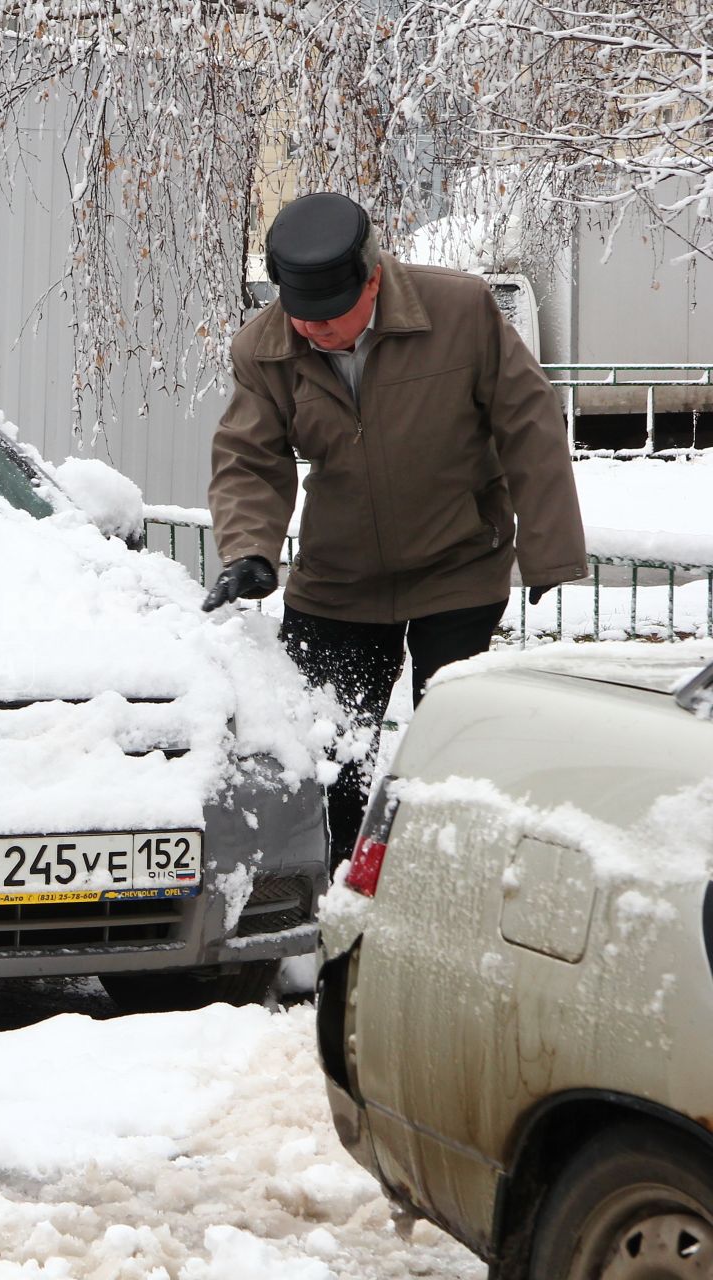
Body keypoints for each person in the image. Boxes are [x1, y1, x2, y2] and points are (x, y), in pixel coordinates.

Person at [203, 191, 585, 871]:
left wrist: (549, 551)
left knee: (451, 760)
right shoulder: (263, 349)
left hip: (458, 567)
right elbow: (248, 460)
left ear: (373, 278)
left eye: (331, 318)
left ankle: (445, 890)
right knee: (328, 766)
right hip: (338, 586)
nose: (316, 333)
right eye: (303, 319)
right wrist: (249, 551)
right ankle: (327, 916)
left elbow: (529, 423)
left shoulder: (461, 311)